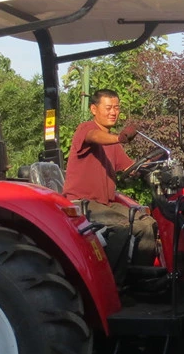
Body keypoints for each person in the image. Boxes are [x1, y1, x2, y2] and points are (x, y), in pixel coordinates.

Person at [63, 88, 158, 274]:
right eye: (108, 108)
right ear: (93, 109)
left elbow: (129, 167)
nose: (113, 112)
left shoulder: (113, 146)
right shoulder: (87, 129)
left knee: (147, 224)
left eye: (116, 108)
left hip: (107, 203)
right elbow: (95, 137)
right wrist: (119, 138)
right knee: (121, 226)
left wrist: (151, 164)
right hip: (83, 203)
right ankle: (113, 283)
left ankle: (141, 279)